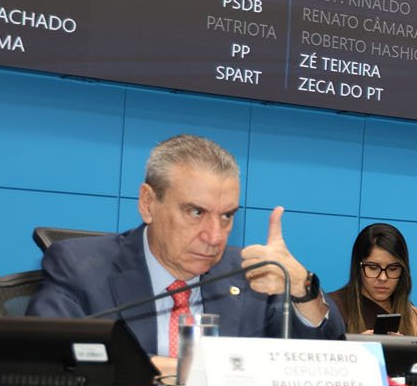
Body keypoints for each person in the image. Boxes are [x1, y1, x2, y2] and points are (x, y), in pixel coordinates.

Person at [28, 134, 344, 373]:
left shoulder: (250, 274)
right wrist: (185, 372)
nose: (214, 236)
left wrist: (303, 290)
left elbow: (323, 366)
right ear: (148, 203)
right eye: (196, 212)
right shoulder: (80, 266)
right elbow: (45, 359)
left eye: (227, 216)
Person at [330, 223, 417, 336]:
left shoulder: (413, 317)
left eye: (393, 269)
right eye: (373, 267)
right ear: (358, 267)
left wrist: (409, 344)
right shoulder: (331, 308)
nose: (383, 278)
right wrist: (357, 345)